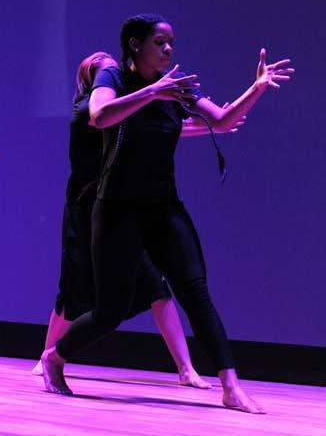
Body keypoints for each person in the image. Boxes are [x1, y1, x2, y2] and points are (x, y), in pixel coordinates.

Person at [41, 14, 293, 414]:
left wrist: (257, 87)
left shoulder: (175, 87)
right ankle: (55, 357)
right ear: (134, 46)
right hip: (117, 210)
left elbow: (223, 120)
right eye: (160, 42)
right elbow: (99, 115)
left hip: (163, 208)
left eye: (171, 42)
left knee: (196, 292)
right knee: (111, 311)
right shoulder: (113, 80)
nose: (169, 49)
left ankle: (231, 385)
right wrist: (153, 92)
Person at [33, 51, 243, 385]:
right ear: (93, 82)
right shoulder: (88, 109)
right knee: (74, 291)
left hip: (122, 208)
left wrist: (214, 126)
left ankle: (186, 369)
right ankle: (49, 356)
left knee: (156, 287)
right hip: (89, 209)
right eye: (106, 73)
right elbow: (111, 117)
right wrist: (156, 95)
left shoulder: (125, 107)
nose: (115, 76)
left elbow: (163, 127)